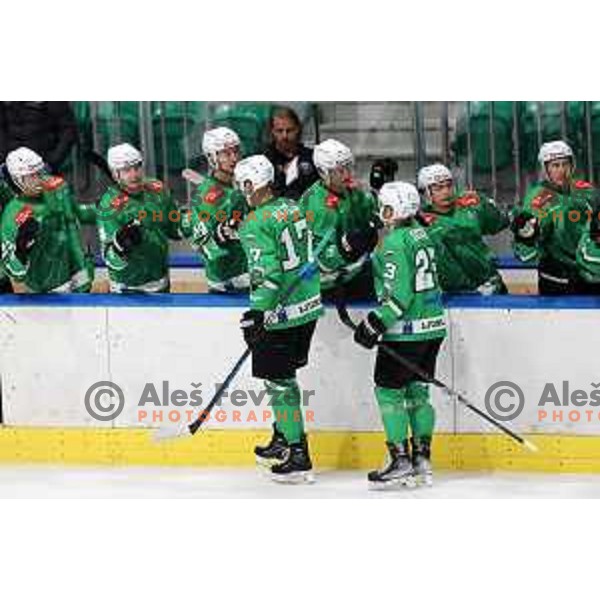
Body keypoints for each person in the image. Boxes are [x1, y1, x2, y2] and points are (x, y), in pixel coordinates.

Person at [352, 182, 446, 489]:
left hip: (406, 333)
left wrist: (374, 323)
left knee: (388, 392)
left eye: (385, 206)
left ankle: (400, 461)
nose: (382, 211)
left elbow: (399, 296)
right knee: (418, 393)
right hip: (433, 327)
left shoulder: (393, 242)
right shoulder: (423, 234)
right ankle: (422, 459)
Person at [235, 154, 322, 484]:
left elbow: (268, 274)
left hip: (280, 314)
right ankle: (284, 438)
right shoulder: (293, 206)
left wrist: (258, 312)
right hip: (308, 308)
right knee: (284, 378)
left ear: (249, 185)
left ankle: (298, 455)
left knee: (280, 384)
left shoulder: (254, 222)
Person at [1, 147, 95, 293]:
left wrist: (105, 209)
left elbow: (80, 213)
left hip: (79, 274)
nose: (38, 180)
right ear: (17, 179)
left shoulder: (58, 186)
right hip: (45, 290)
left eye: (39, 173)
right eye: (30, 176)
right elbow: (14, 271)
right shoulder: (12, 214)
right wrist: (21, 252)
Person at [300, 138, 379, 301]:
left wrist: (376, 192)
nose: (347, 174)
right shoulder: (317, 207)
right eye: (340, 170)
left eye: (349, 167)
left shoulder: (350, 190)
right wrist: (346, 249)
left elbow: (372, 217)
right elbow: (322, 259)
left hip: (354, 270)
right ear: (323, 173)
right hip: (327, 284)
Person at [512, 140, 595, 295]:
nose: (562, 170)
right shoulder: (538, 199)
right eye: (555, 166)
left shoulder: (586, 191)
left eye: (565, 164)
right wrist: (528, 235)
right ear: (545, 169)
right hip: (557, 278)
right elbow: (528, 246)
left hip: (589, 272)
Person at [97, 143, 180, 293]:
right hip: (127, 289)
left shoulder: (157, 189)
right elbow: (109, 259)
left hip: (160, 281)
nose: (134, 174)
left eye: (137, 167)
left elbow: (175, 228)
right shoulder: (108, 206)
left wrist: (194, 218)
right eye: (127, 170)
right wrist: (120, 248)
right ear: (116, 174)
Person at [416, 163, 509, 294]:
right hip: (452, 294)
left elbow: (502, 221)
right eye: (438, 188)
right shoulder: (420, 223)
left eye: (449, 185)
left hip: (490, 283)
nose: (446, 192)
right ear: (425, 192)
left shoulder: (471, 203)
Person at [180, 127, 249, 293]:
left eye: (236, 151)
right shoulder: (206, 197)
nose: (234, 158)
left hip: (248, 272)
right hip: (228, 282)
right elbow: (204, 246)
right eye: (225, 153)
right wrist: (219, 236)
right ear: (212, 158)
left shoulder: (243, 181)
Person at [0, 102, 78, 174]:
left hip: (41, 166)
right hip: (10, 167)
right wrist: (3, 157)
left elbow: (68, 130)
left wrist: (52, 162)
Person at [263, 106, 319, 200]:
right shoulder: (265, 161)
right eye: (279, 131)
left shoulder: (311, 157)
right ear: (272, 131)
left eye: (289, 130)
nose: (284, 136)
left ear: (297, 129)